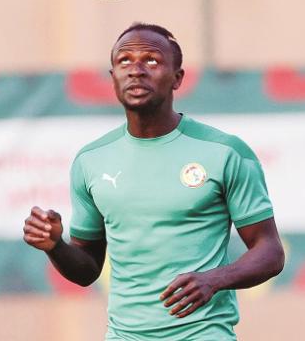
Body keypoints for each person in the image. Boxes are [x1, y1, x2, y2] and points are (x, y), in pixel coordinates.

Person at [23, 23, 284, 340]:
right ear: (113, 78)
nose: (136, 70)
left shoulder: (225, 152)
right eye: (125, 61)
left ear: (177, 78)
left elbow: (270, 251)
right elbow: (87, 268)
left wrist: (214, 279)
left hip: (203, 333)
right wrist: (55, 247)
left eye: (151, 60)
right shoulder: (91, 161)